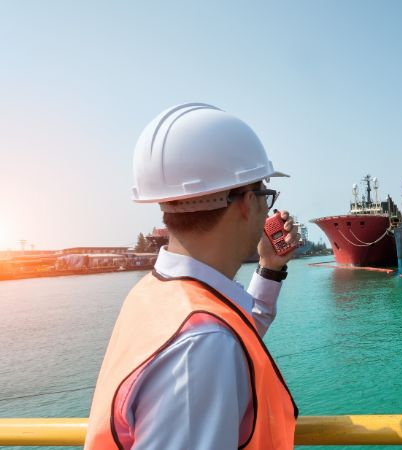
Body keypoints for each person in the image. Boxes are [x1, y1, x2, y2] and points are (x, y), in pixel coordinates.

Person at [85, 103, 298, 450]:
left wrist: (269, 270)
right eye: (265, 195)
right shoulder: (203, 347)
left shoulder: (155, 295)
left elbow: (232, 334)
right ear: (247, 202)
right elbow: (209, 346)